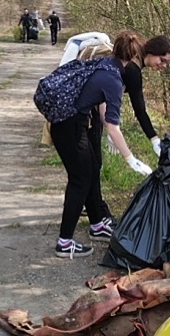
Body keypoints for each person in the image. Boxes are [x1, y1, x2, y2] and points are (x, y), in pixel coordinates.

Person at [48, 35, 153, 259]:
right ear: (134, 56)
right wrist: (130, 159)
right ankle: (64, 242)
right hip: (70, 127)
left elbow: (104, 112)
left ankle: (96, 225)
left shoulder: (104, 64)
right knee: (81, 180)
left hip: (70, 124)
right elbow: (113, 126)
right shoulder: (114, 80)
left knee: (92, 167)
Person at [77, 31, 170, 226]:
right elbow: (140, 110)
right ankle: (98, 215)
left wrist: (107, 123)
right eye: (162, 60)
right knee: (92, 166)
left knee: (92, 164)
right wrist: (153, 140)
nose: (163, 66)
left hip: (92, 110)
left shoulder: (132, 64)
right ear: (153, 52)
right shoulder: (132, 69)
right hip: (87, 113)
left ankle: (94, 207)